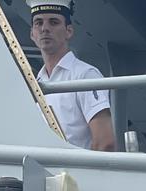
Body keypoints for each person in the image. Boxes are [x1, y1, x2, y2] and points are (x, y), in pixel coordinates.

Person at [28, 0, 116, 151]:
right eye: (38, 23)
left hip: (77, 172)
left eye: (53, 22)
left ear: (69, 31)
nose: (45, 28)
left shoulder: (85, 75)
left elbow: (104, 141)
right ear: (32, 34)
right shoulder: (36, 82)